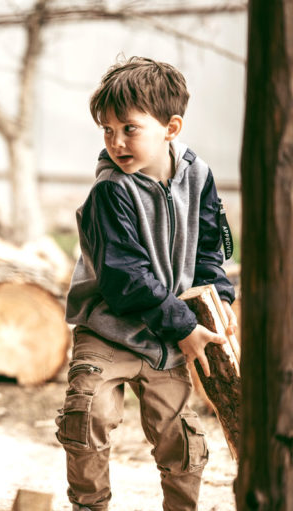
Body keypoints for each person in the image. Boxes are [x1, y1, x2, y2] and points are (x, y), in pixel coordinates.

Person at [56, 56, 238, 511]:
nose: (116, 141)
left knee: (182, 440)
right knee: (87, 414)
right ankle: (90, 505)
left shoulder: (198, 177)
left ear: (170, 128)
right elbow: (125, 279)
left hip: (164, 338)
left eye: (129, 128)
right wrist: (183, 325)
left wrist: (220, 298)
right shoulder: (109, 192)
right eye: (107, 130)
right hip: (108, 330)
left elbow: (210, 250)